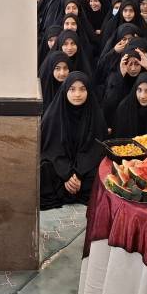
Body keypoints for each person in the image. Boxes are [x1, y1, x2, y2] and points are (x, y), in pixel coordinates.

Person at [40, 72, 107, 210]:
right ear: (65, 91)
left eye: (82, 89)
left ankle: (75, 188)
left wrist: (79, 173)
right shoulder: (53, 115)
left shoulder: (95, 114)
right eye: (72, 89)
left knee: (102, 170)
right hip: (60, 169)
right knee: (44, 169)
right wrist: (67, 175)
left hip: (84, 171)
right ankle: (72, 189)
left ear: (88, 91)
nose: (77, 94)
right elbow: (51, 149)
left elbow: (94, 149)